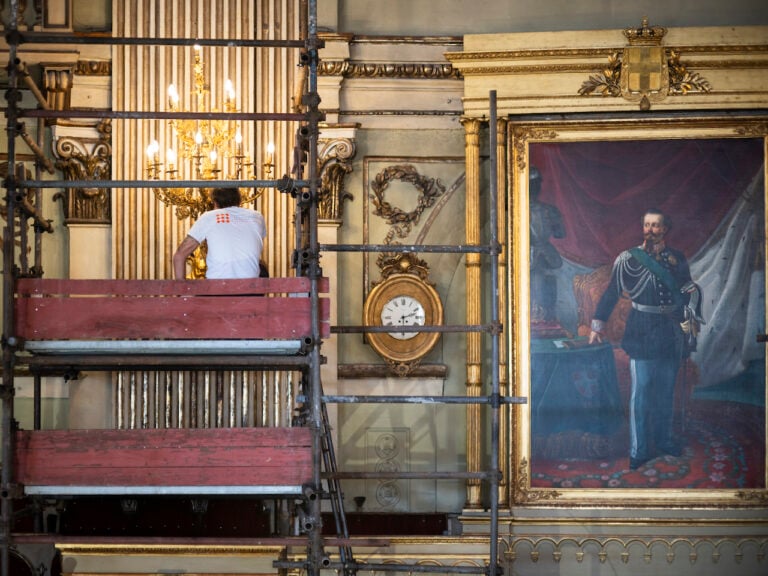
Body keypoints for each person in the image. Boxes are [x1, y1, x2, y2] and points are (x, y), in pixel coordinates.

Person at [588, 208, 703, 470]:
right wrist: (598, 325)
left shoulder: (677, 258)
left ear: (665, 229)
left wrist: (692, 315)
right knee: (641, 395)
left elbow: (686, 290)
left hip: (671, 332)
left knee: (665, 392)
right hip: (641, 331)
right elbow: (611, 293)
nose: (650, 230)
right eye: (647, 225)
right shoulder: (628, 259)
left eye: (656, 226)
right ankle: (638, 450)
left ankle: (663, 440)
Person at [173, 187, 267, 280]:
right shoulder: (257, 217)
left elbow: (179, 256)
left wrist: (182, 292)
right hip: (251, 290)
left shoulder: (209, 217)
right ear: (239, 201)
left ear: (215, 202)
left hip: (218, 289)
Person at [529, 166, 566, 323]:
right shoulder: (513, 210)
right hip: (524, 258)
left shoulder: (549, 211)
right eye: (533, 184)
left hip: (546, 258)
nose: (535, 188)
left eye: (536, 184)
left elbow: (560, 233)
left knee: (548, 301)